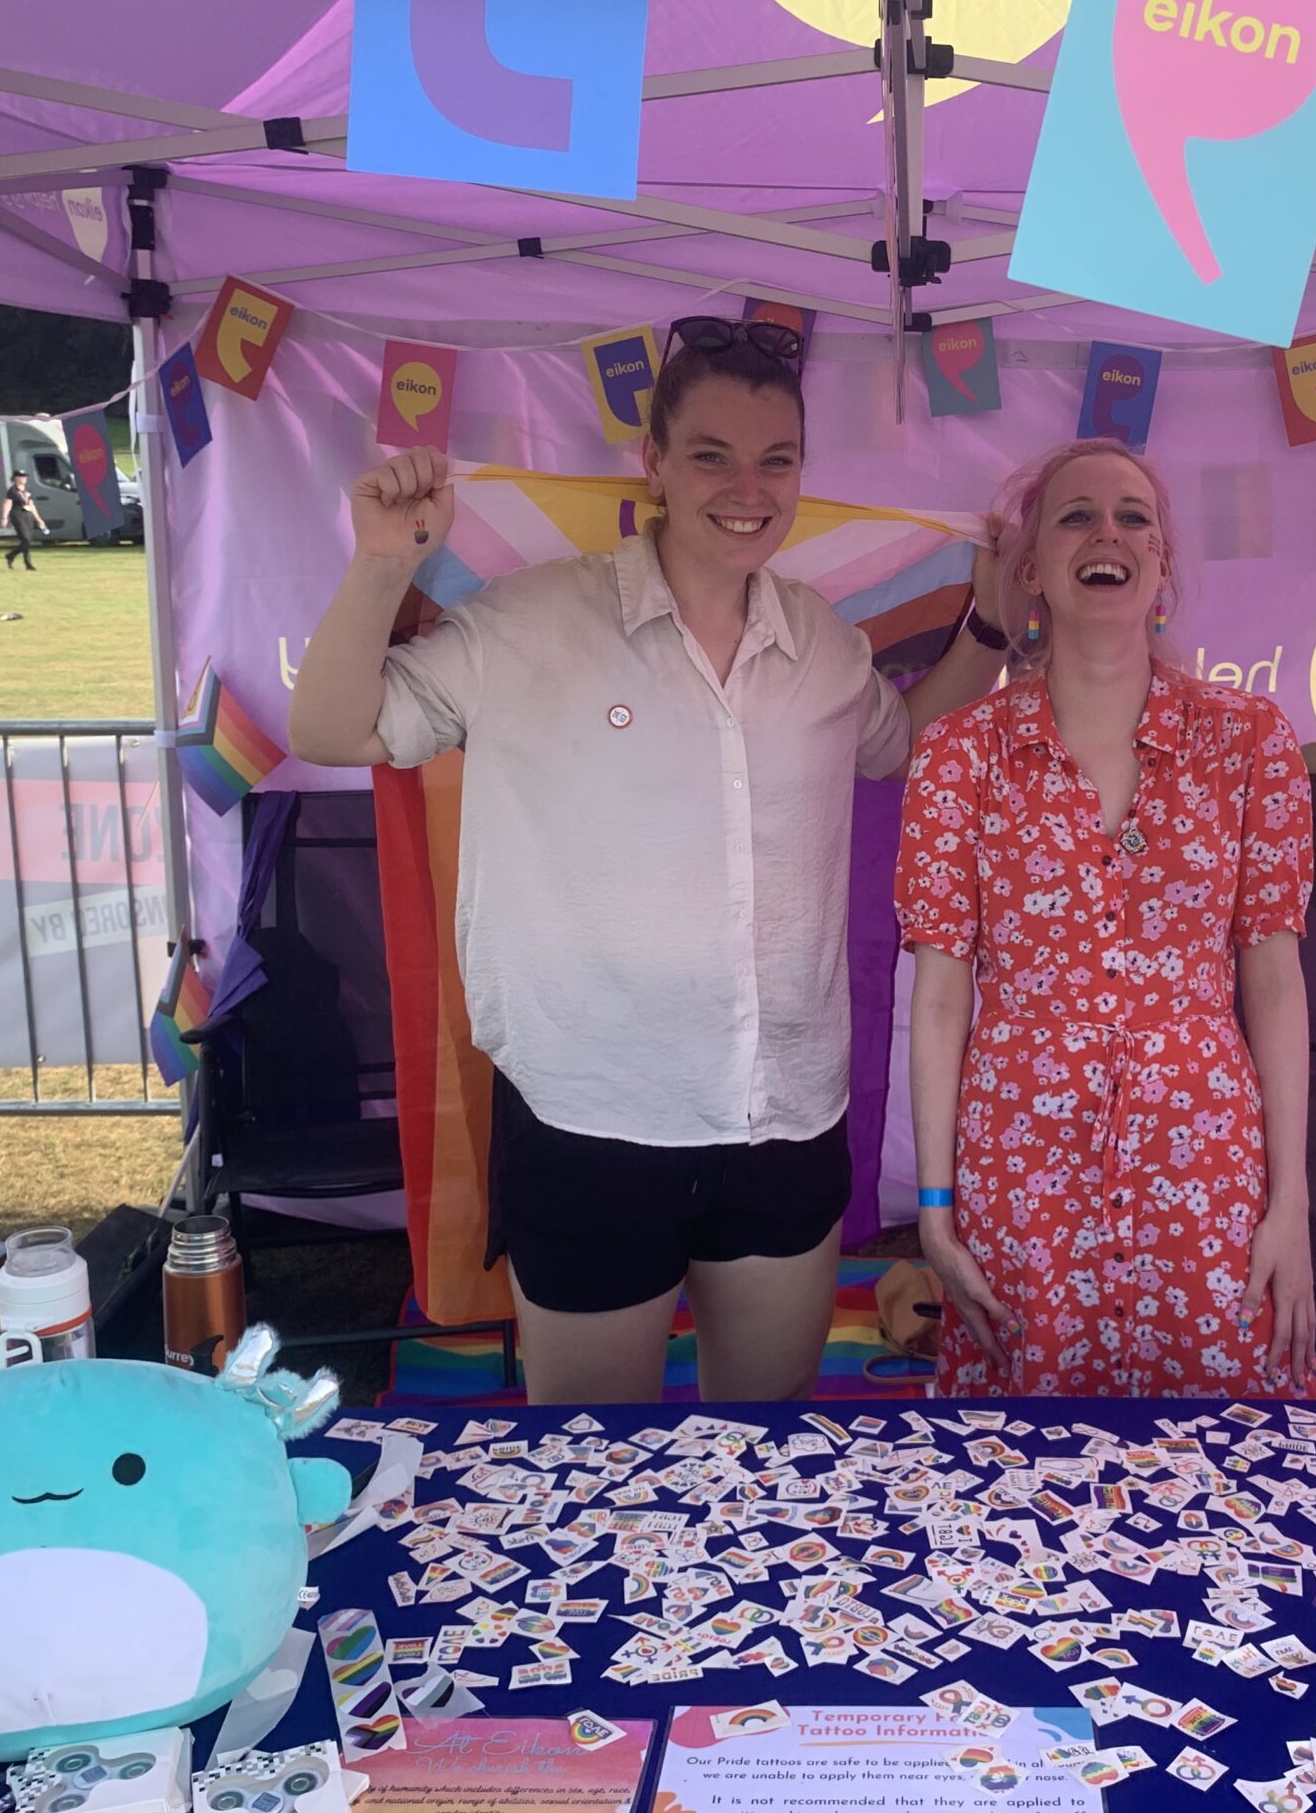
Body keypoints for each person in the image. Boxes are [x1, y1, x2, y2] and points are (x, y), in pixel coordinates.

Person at [287, 316, 1011, 1405]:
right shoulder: (529, 622)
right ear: (655, 464)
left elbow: (902, 744)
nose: (746, 487)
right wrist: (384, 564)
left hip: (784, 1118)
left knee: (759, 1458)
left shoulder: (821, 639)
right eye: (712, 454)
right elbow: (336, 729)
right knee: (593, 1472)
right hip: (590, 1120)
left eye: (776, 460)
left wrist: (991, 633)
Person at [896, 438, 1316, 1399]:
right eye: (1076, 515)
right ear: (1032, 569)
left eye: (1135, 517)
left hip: (1203, 1161)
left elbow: (1275, 977)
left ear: (1163, 564)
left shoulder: (1249, 741)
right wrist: (935, 1212)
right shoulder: (960, 756)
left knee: (1224, 1464)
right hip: (1021, 1165)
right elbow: (937, 1000)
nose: (1109, 534)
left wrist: (1288, 1203)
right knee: (1023, 1476)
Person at [4, 468, 43, 571]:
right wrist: (4, 517)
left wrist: (38, 519)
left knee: (28, 541)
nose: (24, 479)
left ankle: (12, 556)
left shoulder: (27, 491)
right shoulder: (12, 491)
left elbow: (31, 505)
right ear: (16, 478)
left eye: (25, 477)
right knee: (25, 539)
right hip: (17, 515)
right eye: (21, 477)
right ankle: (27, 562)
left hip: (28, 515)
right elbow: (7, 504)